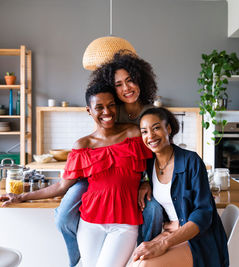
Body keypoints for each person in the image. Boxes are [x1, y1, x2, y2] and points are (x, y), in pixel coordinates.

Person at [0, 82, 153, 267]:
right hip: (90, 222)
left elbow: (154, 162)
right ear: (89, 110)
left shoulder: (133, 133)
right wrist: (22, 196)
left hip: (124, 223)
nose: (107, 111)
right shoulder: (83, 145)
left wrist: (147, 181)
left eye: (111, 105)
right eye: (99, 107)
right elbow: (61, 186)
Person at [54, 51, 163, 266]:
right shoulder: (111, 107)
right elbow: (101, 142)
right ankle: (77, 260)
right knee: (63, 214)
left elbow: (158, 155)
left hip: (131, 180)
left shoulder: (151, 114)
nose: (126, 88)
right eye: (119, 84)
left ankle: (141, 255)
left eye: (130, 81)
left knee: (154, 210)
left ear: (140, 80)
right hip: (99, 177)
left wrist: (146, 181)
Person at [132, 107, 229, 267]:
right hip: (170, 233)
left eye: (156, 128)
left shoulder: (191, 161)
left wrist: (164, 242)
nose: (150, 136)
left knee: (144, 265)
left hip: (197, 239)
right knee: (135, 261)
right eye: (144, 131)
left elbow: (203, 213)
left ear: (168, 128)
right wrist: (145, 181)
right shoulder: (149, 164)